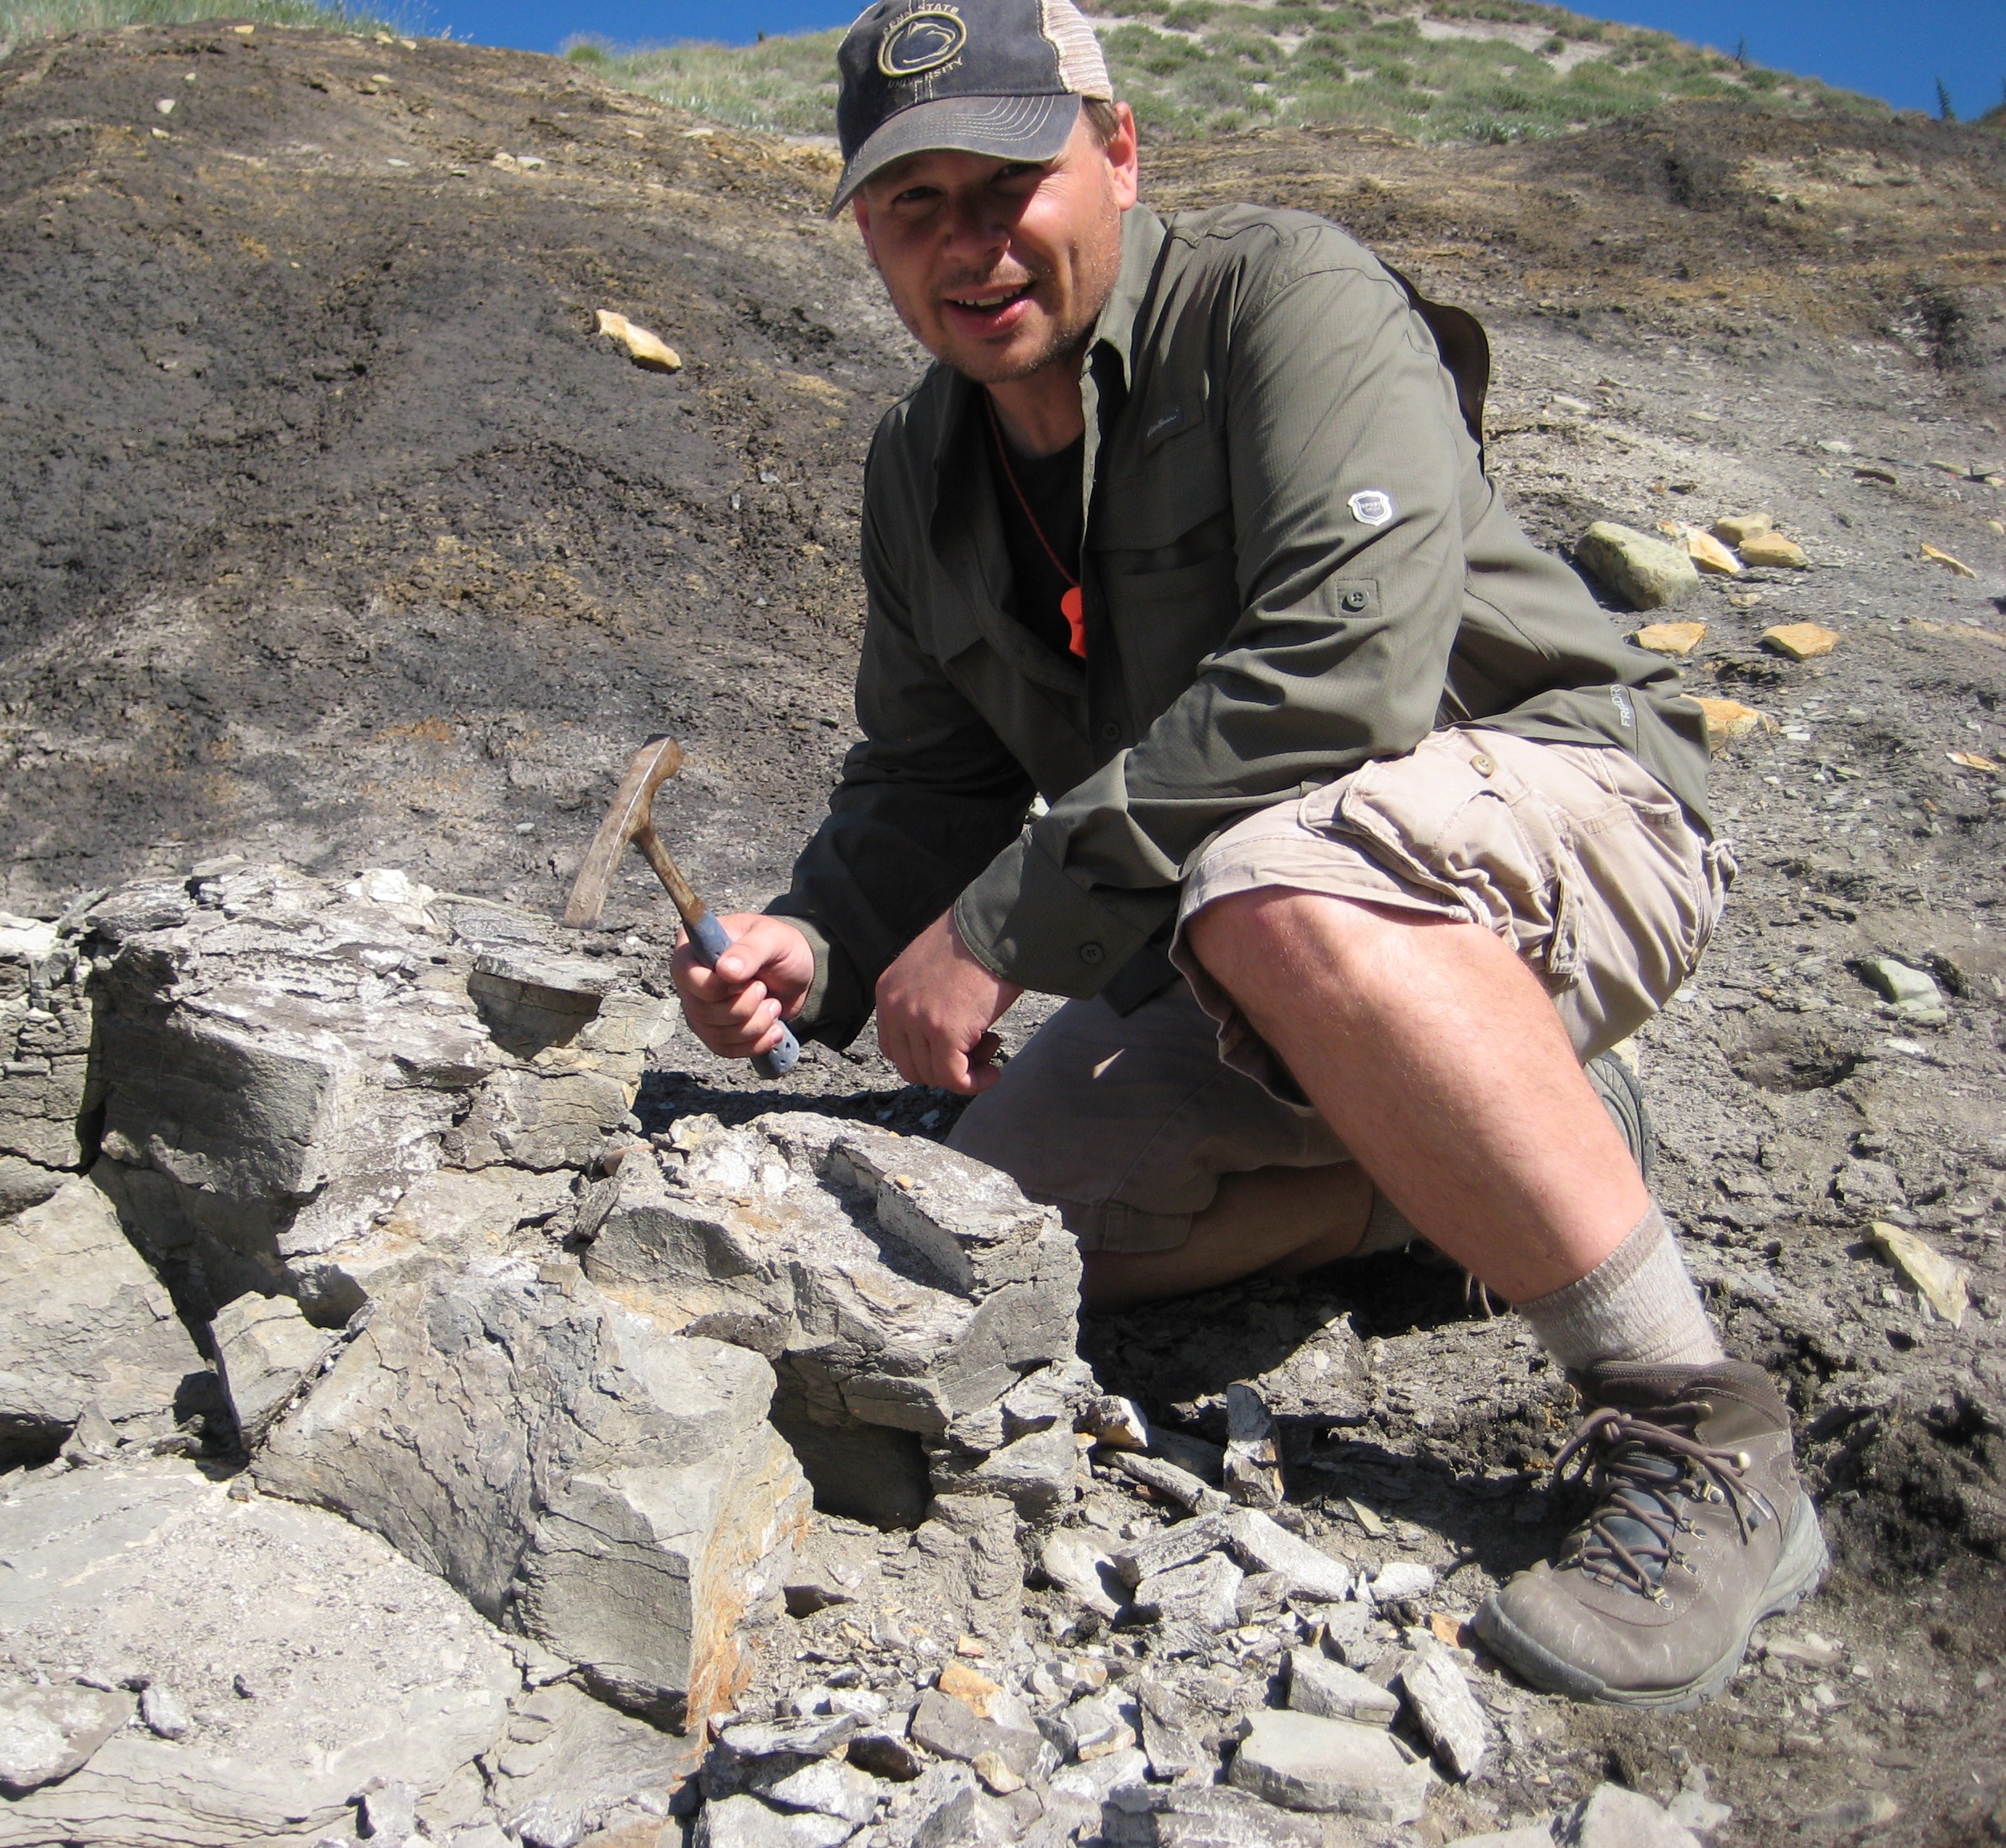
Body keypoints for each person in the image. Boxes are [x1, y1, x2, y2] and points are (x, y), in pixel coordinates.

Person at [668, 0, 1824, 1713]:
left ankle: (1700, 1433)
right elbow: (931, 771)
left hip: (1553, 822)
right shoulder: (921, 465)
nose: (972, 245)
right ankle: (1460, 1168)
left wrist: (1001, 928)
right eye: (918, 208)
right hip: (1264, 940)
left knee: (1278, 878)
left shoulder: (1288, 299)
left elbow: (1340, 679)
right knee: (1002, 1218)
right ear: (867, 233)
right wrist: (819, 943)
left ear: (1118, 154)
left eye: (1014, 182)